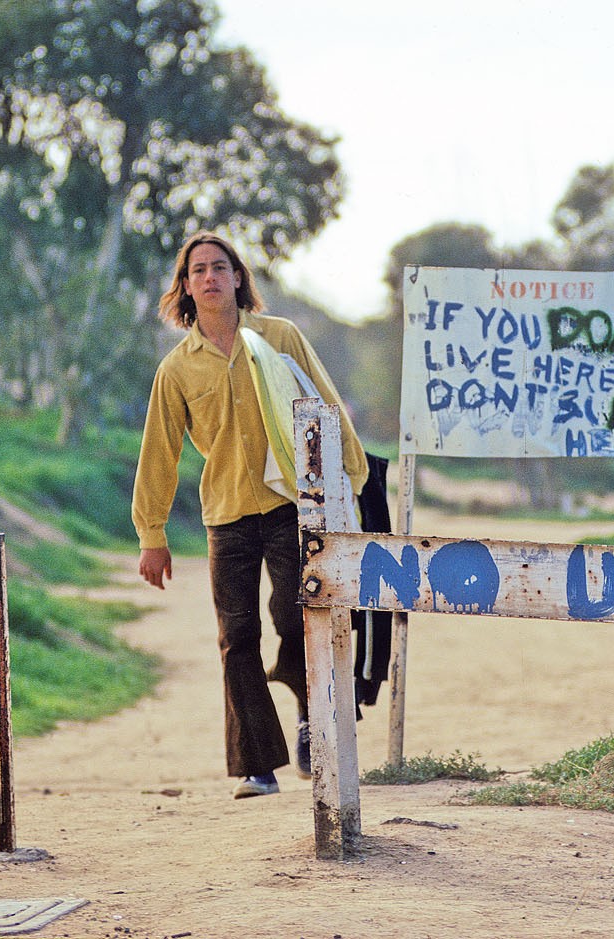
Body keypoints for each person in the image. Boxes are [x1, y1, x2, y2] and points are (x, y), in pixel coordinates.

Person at [132, 230, 368, 799]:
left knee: (298, 620)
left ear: (238, 277)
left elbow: (324, 404)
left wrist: (352, 482)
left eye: (220, 267)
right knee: (237, 636)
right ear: (185, 288)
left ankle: (312, 716)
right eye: (198, 271)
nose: (210, 278)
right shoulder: (177, 369)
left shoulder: (279, 337)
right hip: (228, 515)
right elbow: (159, 451)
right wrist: (152, 534)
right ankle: (258, 767)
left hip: (292, 505)